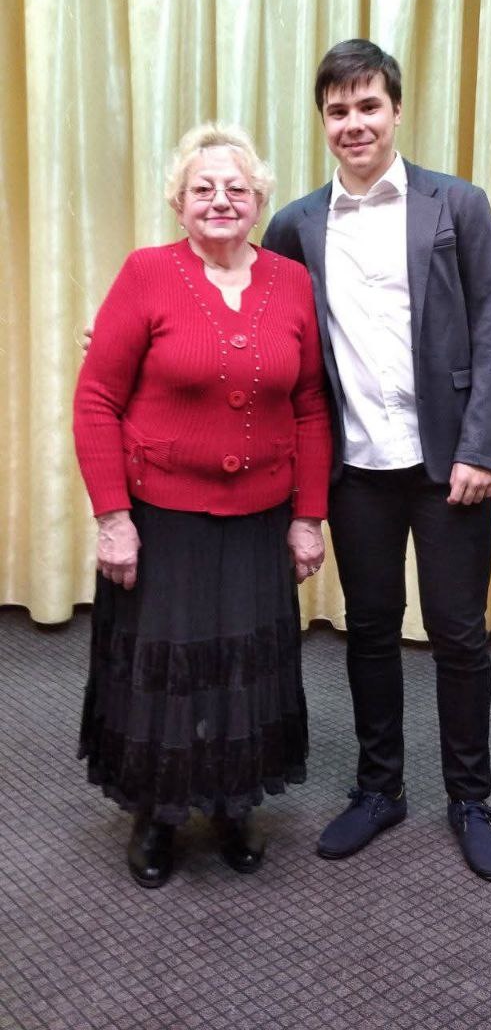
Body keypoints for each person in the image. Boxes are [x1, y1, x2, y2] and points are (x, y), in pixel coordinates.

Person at [263, 39, 491, 881]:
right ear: (323, 121)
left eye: (368, 105)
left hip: (449, 468)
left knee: (458, 634)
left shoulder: (458, 205)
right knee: (369, 630)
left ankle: (470, 799)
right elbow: (261, 323)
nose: (354, 123)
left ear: (396, 111)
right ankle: (380, 789)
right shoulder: (296, 225)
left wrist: (480, 447)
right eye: (337, 110)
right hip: (355, 470)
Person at [73, 122, 332, 889]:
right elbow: (96, 399)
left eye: (236, 188)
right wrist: (113, 519)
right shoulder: (146, 273)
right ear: (178, 201)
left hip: (260, 519)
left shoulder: (292, 281)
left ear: (259, 200)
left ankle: (231, 802)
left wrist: (308, 516)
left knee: (242, 665)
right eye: (203, 188)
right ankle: (156, 812)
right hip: (163, 520)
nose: (220, 200)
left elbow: (311, 406)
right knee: (168, 665)